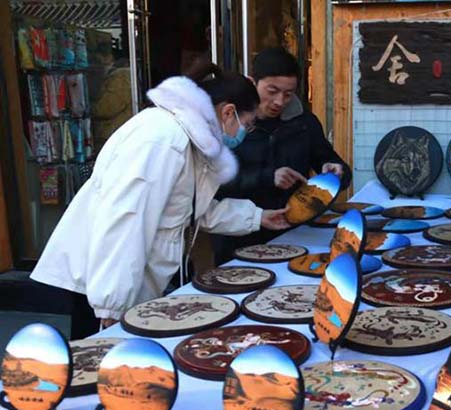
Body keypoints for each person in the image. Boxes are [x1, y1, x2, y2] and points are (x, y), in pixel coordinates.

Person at [30, 63, 290, 334]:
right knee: (103, 367)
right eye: (246, 125)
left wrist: (258, 217)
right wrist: (112, 306)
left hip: (127, 281)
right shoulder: (163, 139)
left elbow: (190, 208)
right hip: (102, 283)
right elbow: (125, 221)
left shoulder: (189, 139)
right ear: (228, 112)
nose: (243, 134)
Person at [213, 47, 351, 262]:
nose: (279, 101)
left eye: (288, 94)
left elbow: (335, 165)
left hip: (294, 235)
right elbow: (214, 184)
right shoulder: (230, 122)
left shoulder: (304, 123)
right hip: (238, 237)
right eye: (272, 91)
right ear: (252, 83)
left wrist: (335, 173)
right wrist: (268, 176)